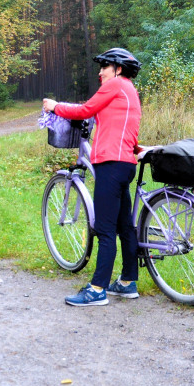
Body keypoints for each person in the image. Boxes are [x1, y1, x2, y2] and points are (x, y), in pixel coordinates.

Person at [42, 47, 143, 307]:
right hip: (124, 164)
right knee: (124, 226)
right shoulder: (129, 89)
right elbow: (111, 120)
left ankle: (97, 289)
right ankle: (127, 282)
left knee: (105, 230)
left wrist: (56, 107)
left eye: (105, 67)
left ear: (118, 69)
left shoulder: (116, 85)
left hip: (110, 164)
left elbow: (86, 110)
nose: (100, 72)